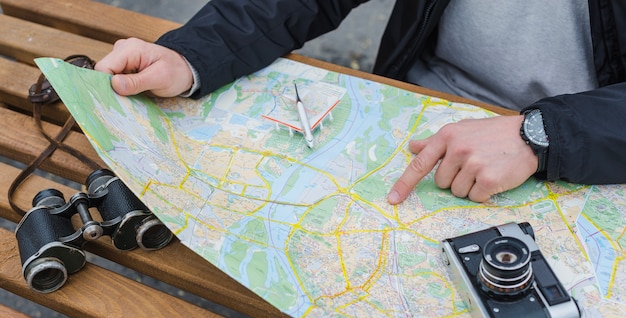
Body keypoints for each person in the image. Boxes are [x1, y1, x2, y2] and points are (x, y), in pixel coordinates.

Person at [95, 0, 626, 204]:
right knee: (305, 291)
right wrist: (194, 56)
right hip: (416, 112)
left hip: (586, 155)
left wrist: (541, 136)